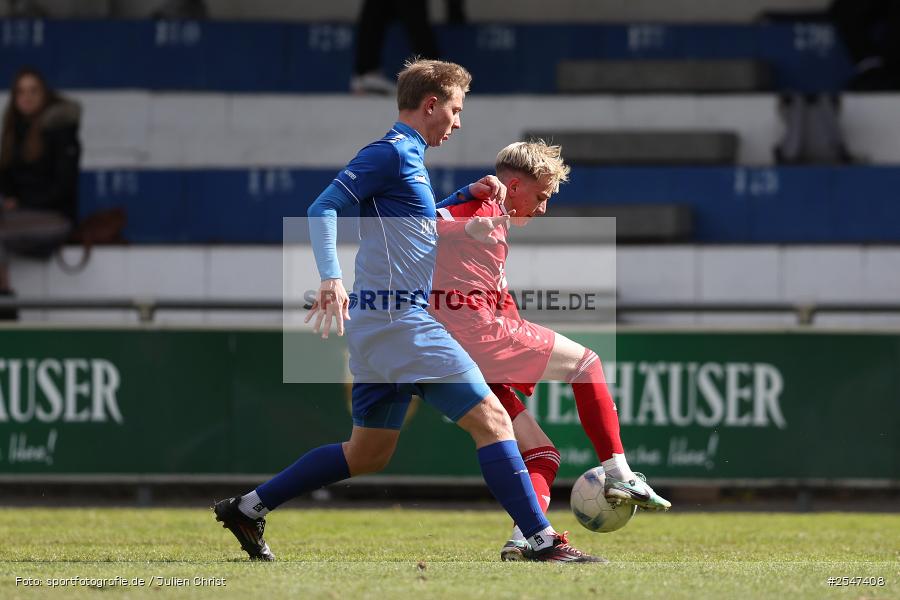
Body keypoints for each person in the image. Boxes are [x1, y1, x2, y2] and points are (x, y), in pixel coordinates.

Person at [213, 59, 602, 564]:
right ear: (432, 104)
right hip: (402, 321)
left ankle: (247, 507)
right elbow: (321, 207)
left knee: (367, 454)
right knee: (493, 420)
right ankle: (543, 541)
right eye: (456, 110)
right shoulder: (392, 154)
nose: (458, 123)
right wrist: (330, 275)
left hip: (382, 327)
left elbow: (415, 228)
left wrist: (466, 196)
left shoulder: (409, 161)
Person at [429, 140, 671, 561]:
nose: (542, 209)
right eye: (540, 197)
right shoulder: (485, 210)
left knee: (542, 453)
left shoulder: (486, 212)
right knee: (587, 364)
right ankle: (620, 472)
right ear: (515, 185)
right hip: (479, 335)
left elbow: (438, 227)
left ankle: (525, 540)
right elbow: (420, 226)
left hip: (455, 346)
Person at [0, 67, 81, 320]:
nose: (27, 97)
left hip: (55, 217)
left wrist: (20, 203)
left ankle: (5, 308)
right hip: (21, 217)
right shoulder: (13, 132)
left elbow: (63, 188)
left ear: (44, 95)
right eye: (21, 92)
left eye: (33, 91)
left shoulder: (62, 132)